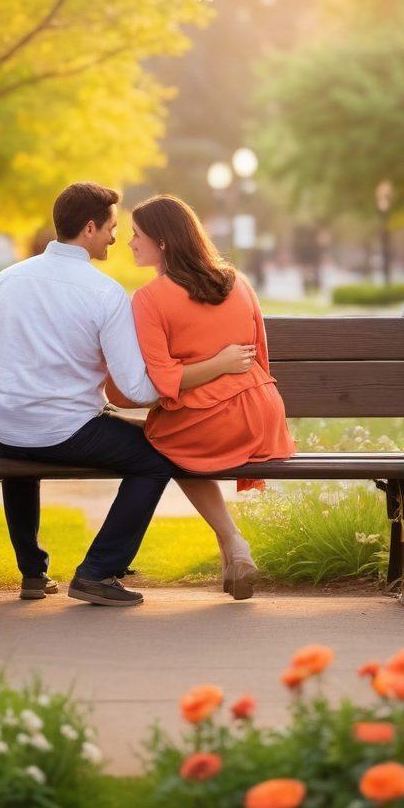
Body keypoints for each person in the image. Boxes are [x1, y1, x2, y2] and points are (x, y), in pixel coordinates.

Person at [0, 181, 256, 608]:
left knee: (23, 453)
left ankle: (33, 573)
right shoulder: (104, 294)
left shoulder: (8, 278)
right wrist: (194, 380)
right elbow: (140, 388)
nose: (114, 237)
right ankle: (98, 571)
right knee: (156, 458)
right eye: (109, 228)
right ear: (89, 228)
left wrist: (32, 367)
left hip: (6, 426)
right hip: (67, 431)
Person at [106, 194, 295, 599]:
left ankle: (234, 540)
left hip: (212, 422)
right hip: (263, 414)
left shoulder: (149, 298)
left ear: (164, 242)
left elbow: (162, 379)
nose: (130, 242)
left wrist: (219, 364)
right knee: (173, 433)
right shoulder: (236, 280)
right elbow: (260, 355)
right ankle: (231, 553)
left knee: (161, 444)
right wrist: (228, 364)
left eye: (137, 235)